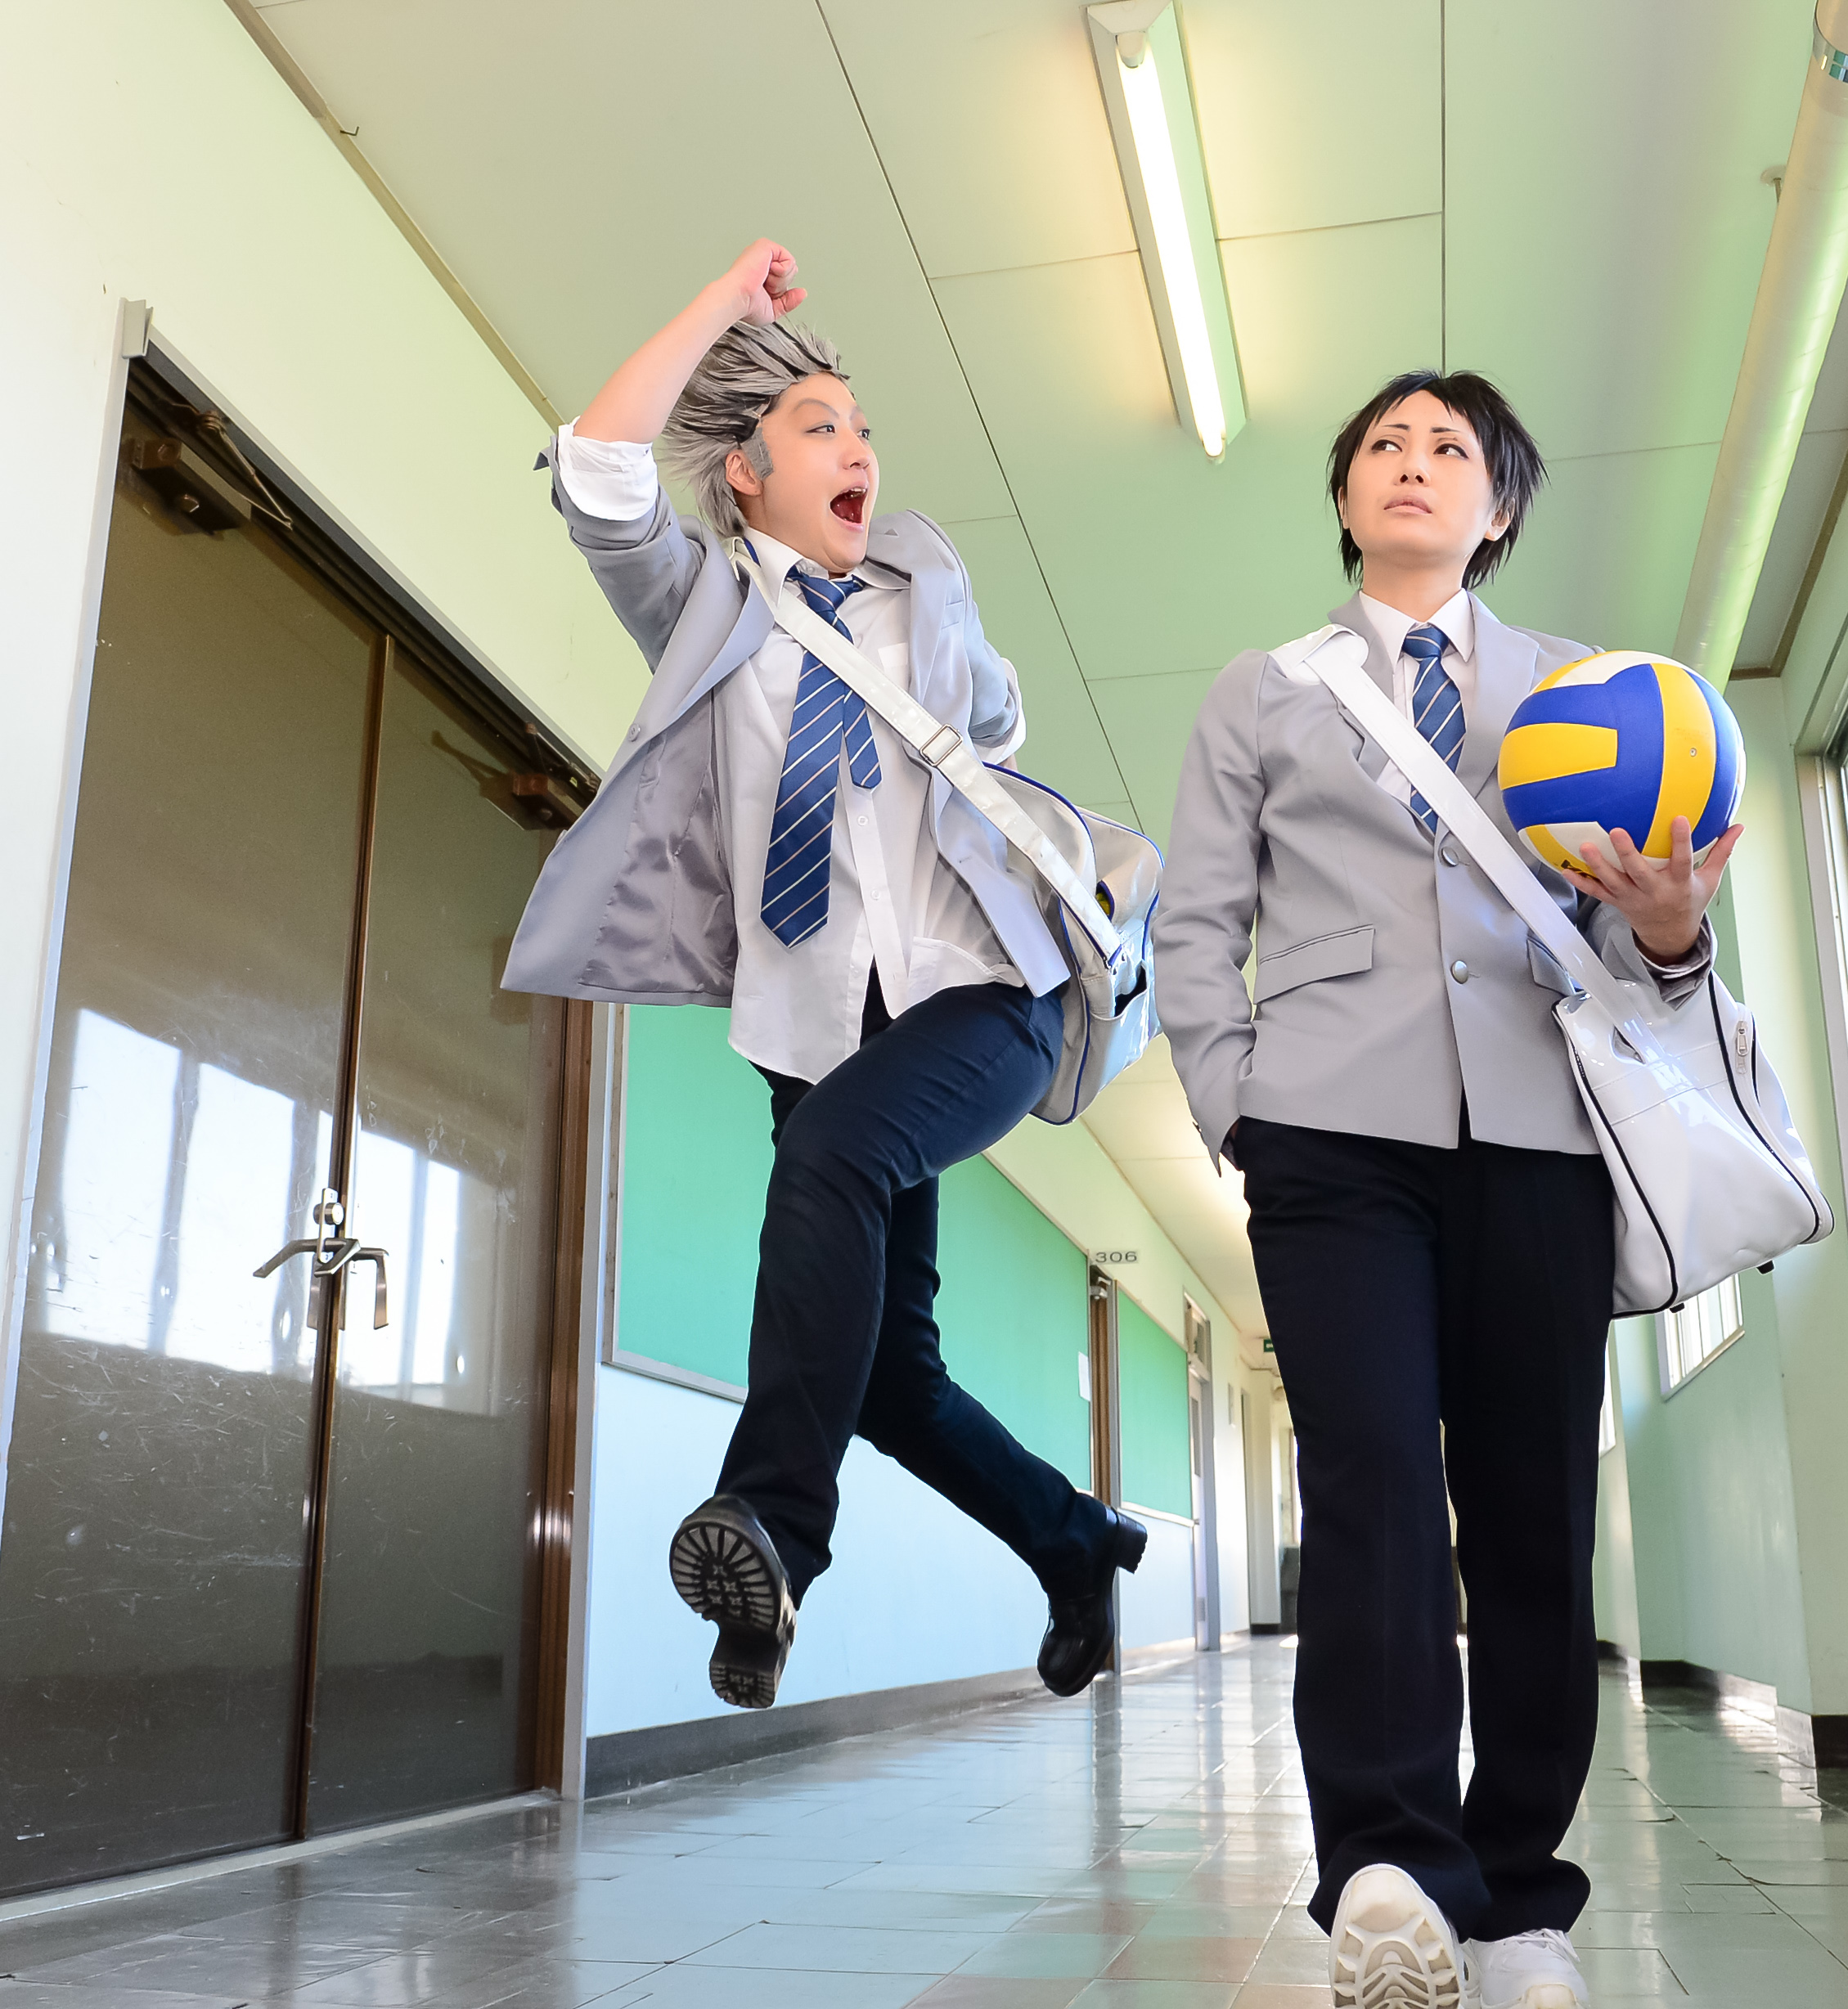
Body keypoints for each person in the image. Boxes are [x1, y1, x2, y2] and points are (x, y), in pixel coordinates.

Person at [1153, 371, 1737, 2009]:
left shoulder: (1598, 692)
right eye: (1382, 448)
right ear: (1346, 499)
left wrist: (1676, 925)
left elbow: (1645, 941)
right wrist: (1235, 1108)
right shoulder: (1262, 693)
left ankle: (1523, 1896)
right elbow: (1194, 927)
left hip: (1541, 1133)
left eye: (1452, 450)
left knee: (1535, 1508)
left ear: (1500, 511)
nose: (1413, 465)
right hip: (1330, 1134)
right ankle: (1390, 1872)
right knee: (1374, 1491)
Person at [503, 240, 1145, 1712]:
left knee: (839, 1162)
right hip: (816, 1021)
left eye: (864, 429)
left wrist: (915, 581)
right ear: (743, 473)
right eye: (819, 429)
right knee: (885, 1370)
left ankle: (778, 1539)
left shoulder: (927, 586)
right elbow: (602, 461)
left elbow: (994, 719)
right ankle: (1077, 1540)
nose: (856, 447)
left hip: (986, 987)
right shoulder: (705, 617)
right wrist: (723, 303)